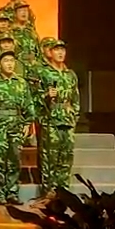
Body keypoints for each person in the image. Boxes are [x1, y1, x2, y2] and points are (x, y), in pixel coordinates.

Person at [0, 50, 37, 204]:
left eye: (12, 61)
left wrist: (27, 123)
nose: (9, 64)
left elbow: (28, 105)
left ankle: (12, 192)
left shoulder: (21, 83)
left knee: (15, 160)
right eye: (6, 61)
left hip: (16, 125)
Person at [37, 40, 81, 195]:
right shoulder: (43, 73)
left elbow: (75, 98)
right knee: (50, 159)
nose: (60, 53)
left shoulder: (70, 74)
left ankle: (64, 193)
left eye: (63, 50)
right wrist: (46, 95)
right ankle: (49, 193)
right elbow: (33, 98)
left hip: (67, 120)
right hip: (51, 120)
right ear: (50, 53)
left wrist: (74, 115)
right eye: (57, 50)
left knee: (66, 158)